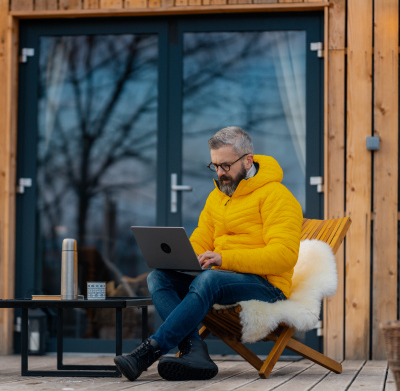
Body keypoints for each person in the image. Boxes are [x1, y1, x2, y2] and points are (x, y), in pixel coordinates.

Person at [114, 126, 303, 381]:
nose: (220, 173)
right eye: (214, 166)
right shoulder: (217, 198)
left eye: (226, 165)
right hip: (222, 280)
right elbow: (201, 240)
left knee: (210, 279)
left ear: (248, 161)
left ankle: (148, 352)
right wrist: (179, 256)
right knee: (158, 278)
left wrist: (224, 259)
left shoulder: (277, 196)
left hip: (267, 286)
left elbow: (284, 256)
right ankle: (194, 351)